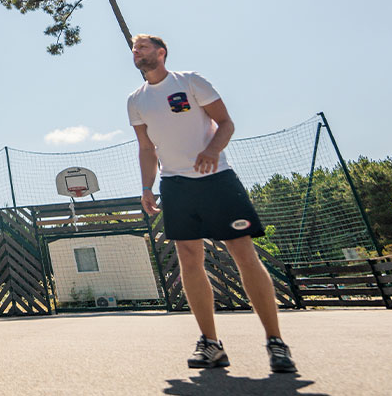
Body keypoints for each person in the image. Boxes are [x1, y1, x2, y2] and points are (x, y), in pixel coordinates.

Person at [127, 34, 296, 374]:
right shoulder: (136, 101)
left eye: (143, 47)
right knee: (189, 259)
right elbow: (147, 149)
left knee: (243, 253)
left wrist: (212, 151)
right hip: (175, 185)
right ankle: (211, 344)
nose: (137, 52)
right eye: (134, 49)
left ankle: (276, 342)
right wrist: (147, 187)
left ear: (161, 53)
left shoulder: (190, 81)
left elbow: (226, 122)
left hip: (216, 179)